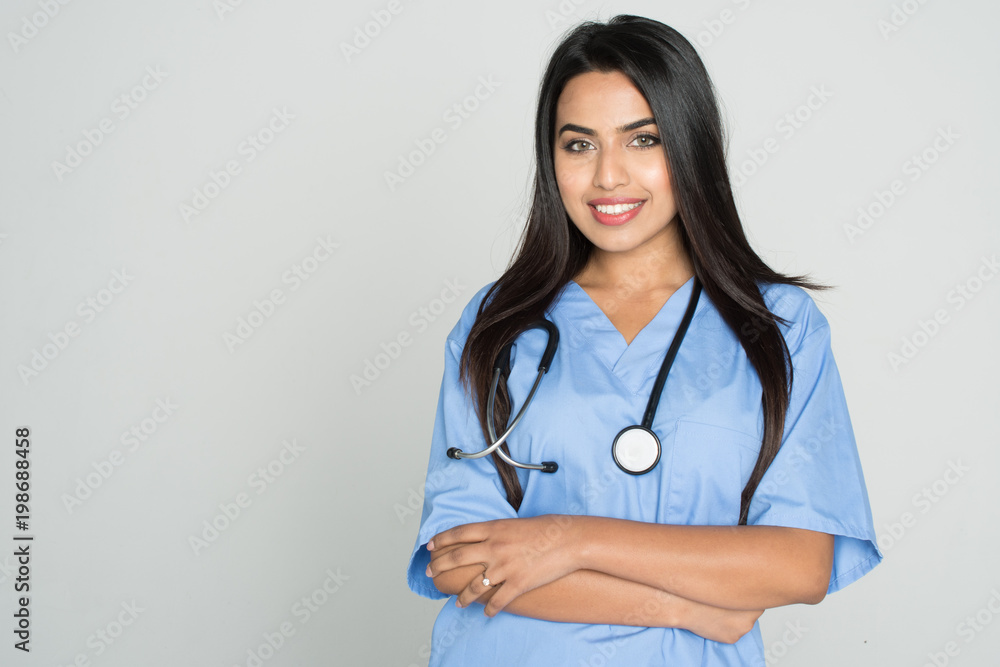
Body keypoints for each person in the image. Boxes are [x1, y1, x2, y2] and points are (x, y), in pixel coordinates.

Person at [406, 14, 881, 666]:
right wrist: (679, 606)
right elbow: (457, 561)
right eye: (579, 145)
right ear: (551, 161)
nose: (608, 177)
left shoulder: (780, 327)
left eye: (643, 140)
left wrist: (569, 539)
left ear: (689, 147)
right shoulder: (498, 323)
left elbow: (800, 562)